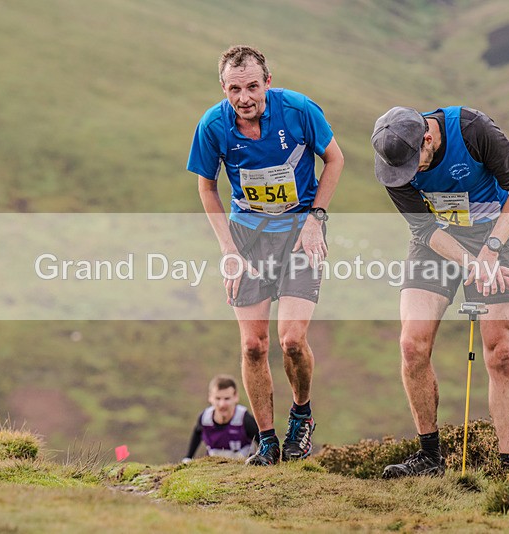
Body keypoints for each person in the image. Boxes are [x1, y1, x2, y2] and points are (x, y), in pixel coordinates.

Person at [187, 45, 344, 466]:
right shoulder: (213, 125)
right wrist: (228, 249)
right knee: (254, 346)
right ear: (223, 88)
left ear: (267, 83)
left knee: (291, 340)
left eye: (253, 86)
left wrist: (316, 218)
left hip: (298, 234)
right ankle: (269, 440)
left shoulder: (298, 110)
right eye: (234, 89)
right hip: (248, 239)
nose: (244, 97)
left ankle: (302, 416)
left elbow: (334, 158)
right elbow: (206, 186)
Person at [371, 105, 509, 477]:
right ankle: (429, 457)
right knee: (412, 345)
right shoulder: (392, 163)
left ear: (428, 138)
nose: (409, 176)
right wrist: (471, 262)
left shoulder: (475, 131)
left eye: (416, 165)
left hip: (493, 233)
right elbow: (425, 230)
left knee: (501, 352)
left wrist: (490, 252)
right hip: (436, 241)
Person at [183, 375, 259, 461]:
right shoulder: (204, 419)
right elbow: (197, 434)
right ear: (210, 397)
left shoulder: (245, 419)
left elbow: (262, 441)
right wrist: (188, 457)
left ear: (236, 397)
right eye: (217, 398)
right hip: (214, 467)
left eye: (227, 399)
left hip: (244, 467)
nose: (222, 404)